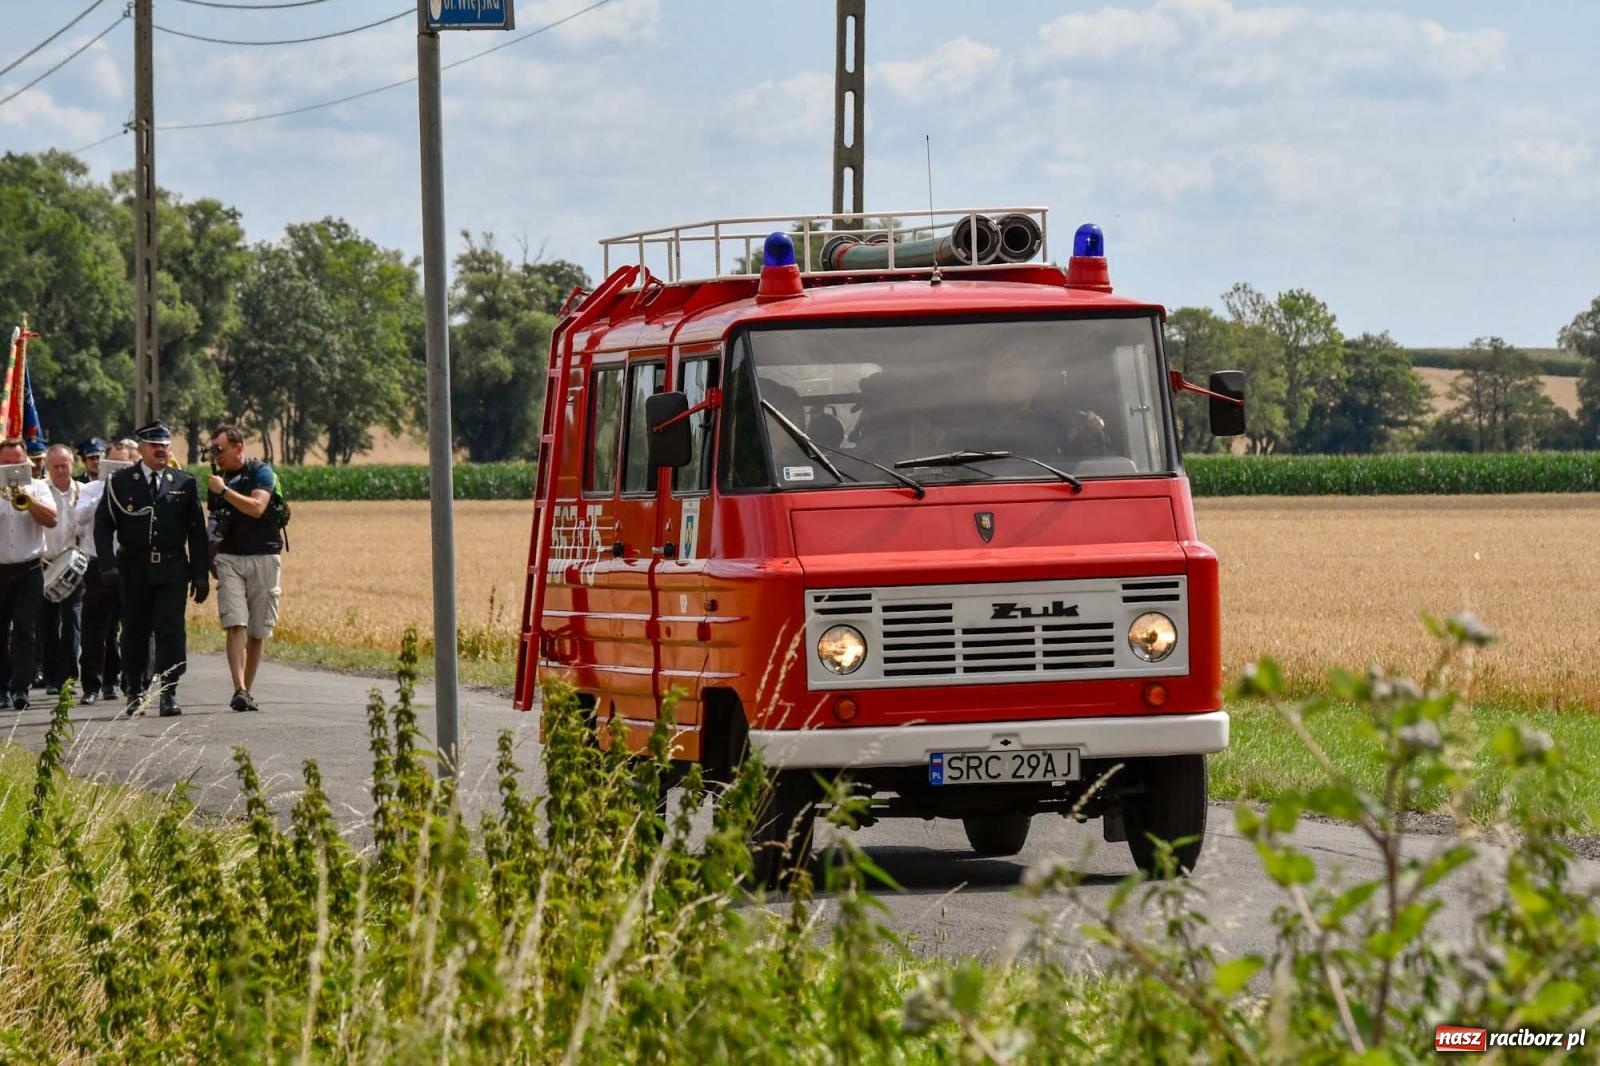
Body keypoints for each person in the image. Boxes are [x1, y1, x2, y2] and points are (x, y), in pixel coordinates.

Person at [94, 423, 208, 717]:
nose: (160, 450)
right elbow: (103, 524)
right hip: (134, 569)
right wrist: (107, 565)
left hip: (172, 568)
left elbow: (196, 531)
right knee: (135, 630)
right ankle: (135, 688)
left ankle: (168, 691)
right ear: (142, 449)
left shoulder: (184, 482)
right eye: (154, 445)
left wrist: (200, 574)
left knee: (171, 631)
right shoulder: (120, 482)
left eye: (165, 445)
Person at [206, 424, 282, 713]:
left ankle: (247, 691)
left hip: (264, 555)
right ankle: (238, 688)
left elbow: (257, 507)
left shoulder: (261, 472)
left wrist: (224, 491)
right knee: (235, 621)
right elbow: (214, 521)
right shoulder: (218, 480)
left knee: (257, 629)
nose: (216, 456)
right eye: (212, 450)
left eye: (220, 450)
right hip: (230, 557)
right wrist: (209, 556)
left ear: (239, 448)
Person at [0, 437, 58, 710]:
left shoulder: (38, 487)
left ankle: (20, 688)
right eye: (6, 463)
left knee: (25, 629)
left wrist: (28, 499)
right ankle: (1, 687)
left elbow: (52, 520)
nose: (12, 467)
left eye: (18, 462)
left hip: (28, 569)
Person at [75, 440, 127, 704]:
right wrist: (105, 491)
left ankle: (114, 680)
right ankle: (91, 685)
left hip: (128, 563)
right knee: (95, 628)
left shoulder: (136, 489)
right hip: (98, 563)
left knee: (123, 628)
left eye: (123, 463)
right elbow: (79, 517)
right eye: (113, 462)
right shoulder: (90, 489)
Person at [37, 444, 83, 696]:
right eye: (55, 466)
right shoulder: (40, 490)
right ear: (47, 467)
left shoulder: (83, 491)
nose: (61, 470)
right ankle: (51, 675)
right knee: (46, 624)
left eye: (64, 465)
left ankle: (68, 677)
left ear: (72, 464)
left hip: (73, 565)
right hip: (44, 564)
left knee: (72, 621)